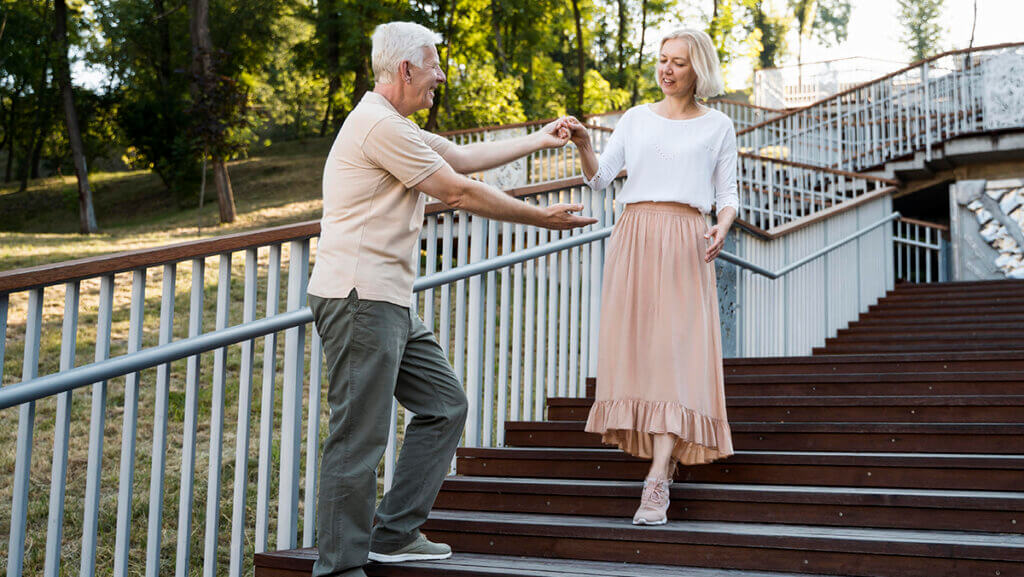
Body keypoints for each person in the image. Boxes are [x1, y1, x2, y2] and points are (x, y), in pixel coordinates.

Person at [305, 21, 596, 577]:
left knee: (444, 405)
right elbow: (457, 191)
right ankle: (340, 568)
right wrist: (540, 218)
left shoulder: (396, 124)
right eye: (434, 66)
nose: (441, 75)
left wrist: (543, 137)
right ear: (405, 69)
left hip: (387, 300)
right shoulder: (377, 126)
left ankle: (393, 532)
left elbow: (463, 159)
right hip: (360, 297)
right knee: (358, 439)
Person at [565, 28, 738, 526]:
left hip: (687, 241)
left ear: (697, 69)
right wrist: (583, 143)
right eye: (662, 60)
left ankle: (658, 479)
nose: (666, 69)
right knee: (644, 354)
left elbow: (728, 195)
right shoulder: (636, 119)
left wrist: (721, 226)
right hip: (634, 236)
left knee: (675, 358)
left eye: (677, 62)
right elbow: (599, 179)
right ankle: (658, 464)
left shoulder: (718, 126)